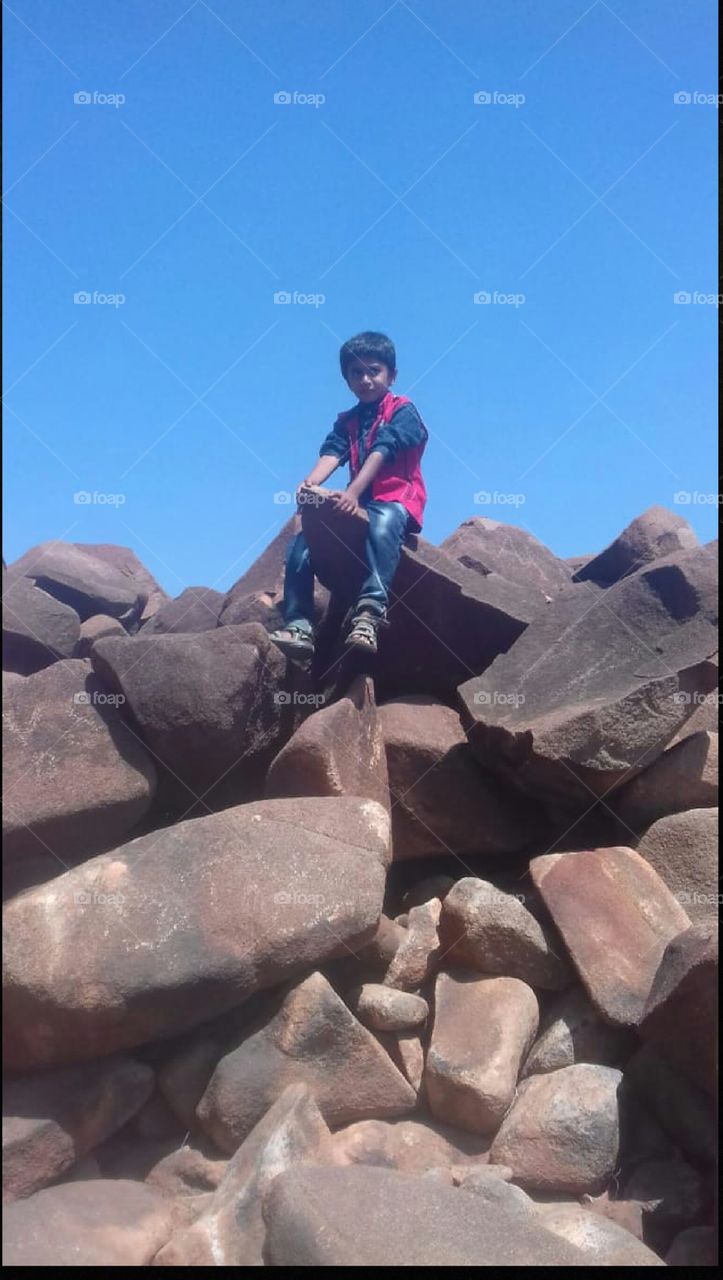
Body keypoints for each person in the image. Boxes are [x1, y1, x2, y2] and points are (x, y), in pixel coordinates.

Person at [270, 331, 428, 658]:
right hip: (357, 503)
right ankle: (299, 624)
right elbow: (333, 451)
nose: (366, 379)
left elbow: (384, 448)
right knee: (303, 544)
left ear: (392, 375)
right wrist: (309, 484)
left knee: (382, 524)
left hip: (395, 500)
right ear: (346, 380)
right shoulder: (349, 421)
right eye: (357, 373)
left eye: (374, 370)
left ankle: (370, 612)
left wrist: (353, 492)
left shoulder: (403, 410)